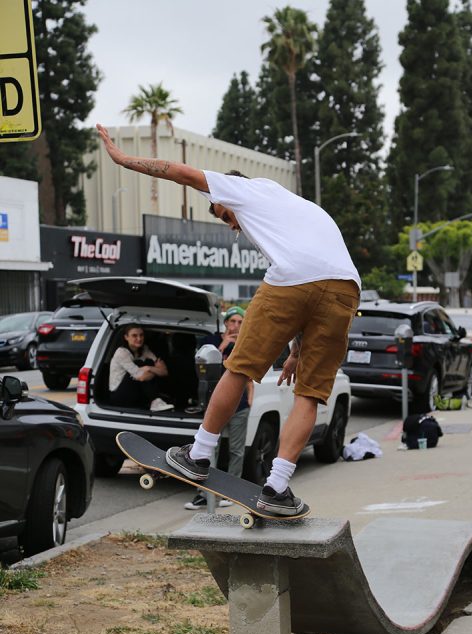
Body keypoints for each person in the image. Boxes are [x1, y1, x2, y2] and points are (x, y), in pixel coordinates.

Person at [97, 124, 361, 515]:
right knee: (310, 394)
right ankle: (277, 488)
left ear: (226, 194)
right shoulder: (290, 207)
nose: (233, 226)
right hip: (346, 290)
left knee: (238, 369)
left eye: (225, 217)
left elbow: (180, 172)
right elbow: (317, 289)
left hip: (292, 279)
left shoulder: (242, 188)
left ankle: (199, 455)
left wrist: (123, 160)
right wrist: (295, 352)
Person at [184, 306, 253, 510]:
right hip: (215, 405)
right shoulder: (211, 341)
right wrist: (222, 346)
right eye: (233, 321)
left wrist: (250, 397)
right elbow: (199, 366)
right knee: (208, 448)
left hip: (239, 406)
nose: (236, 326)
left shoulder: (245, 344)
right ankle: (204, 494)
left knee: (236, 451)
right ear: (225, 323)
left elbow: (250, 374)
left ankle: (231, 492)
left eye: (240, 323)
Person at [109, 324, 173, 411]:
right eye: (134, 336)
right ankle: (155, 401)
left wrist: (149, 368)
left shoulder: (144, 349)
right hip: (119, 395)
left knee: (148, 363)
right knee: (139, 363)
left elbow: (164, 372)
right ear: (126, 337)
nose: (139, 339)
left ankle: (157, 400)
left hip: (136, 392)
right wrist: (155, 371)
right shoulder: (121, 352)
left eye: (141, 335)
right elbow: (141, 377)